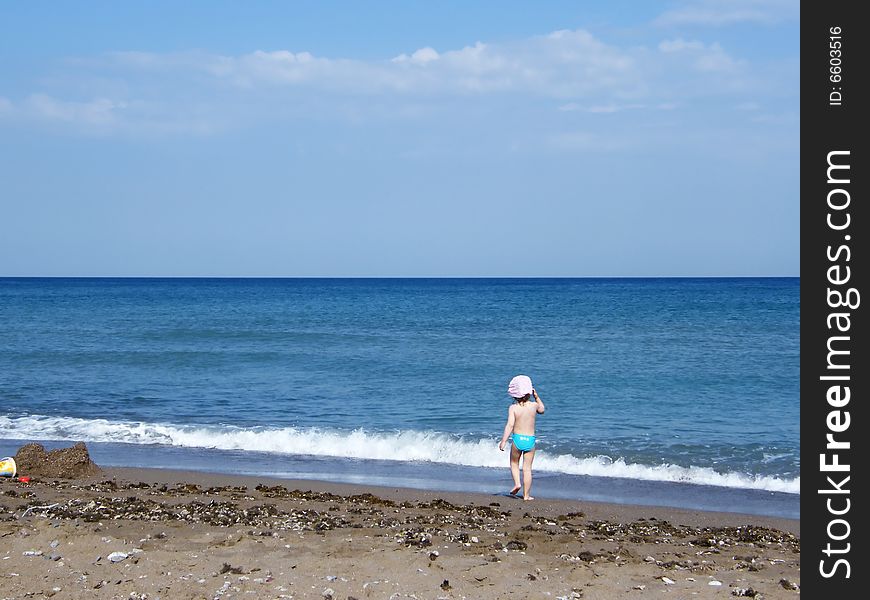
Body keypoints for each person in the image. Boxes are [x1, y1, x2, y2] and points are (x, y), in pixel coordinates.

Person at [499, 375, 545, 500]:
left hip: (517, 440)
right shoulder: (534, 406)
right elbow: (542, 410)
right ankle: (526, 495)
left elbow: (510, 425)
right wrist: (537, 396)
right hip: (530, 441)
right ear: (529, 392)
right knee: (527, 469)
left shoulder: (513, 408)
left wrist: (504, 441)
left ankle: (517, 483)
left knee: (514, 463)